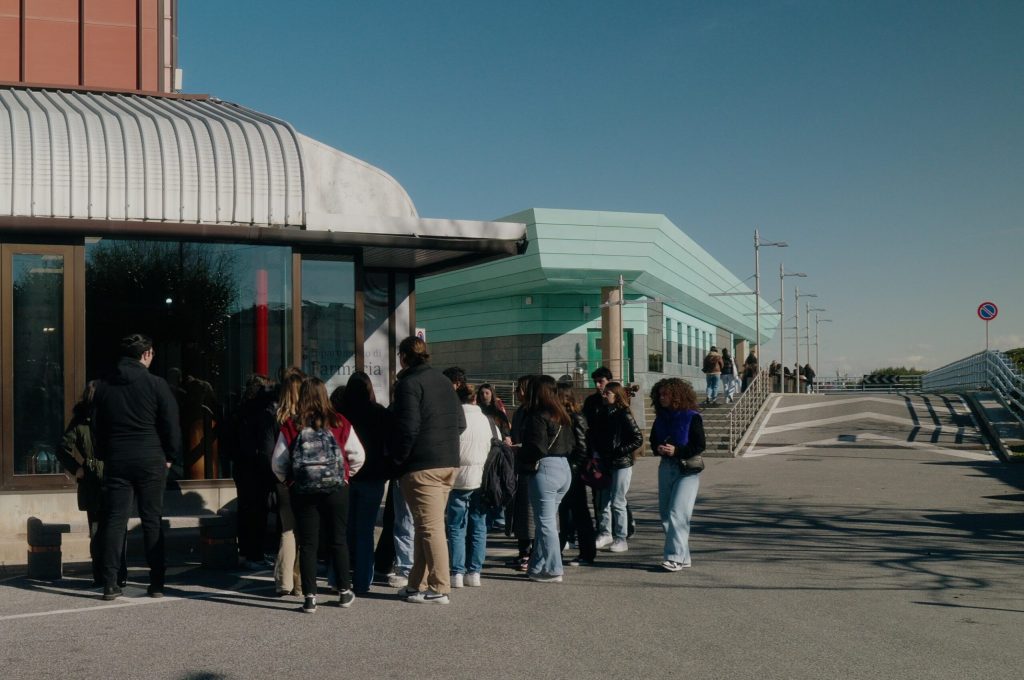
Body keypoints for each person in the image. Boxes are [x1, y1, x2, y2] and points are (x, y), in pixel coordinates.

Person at [92, 334, 181, 600]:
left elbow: (97, 427)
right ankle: (156, 583)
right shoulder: (156, 384)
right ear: (146, 354)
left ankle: (110, 583)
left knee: (114, 521)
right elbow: (171, 424)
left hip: (118, 457)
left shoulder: (105, 386)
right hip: (150, 456)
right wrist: (170, 455)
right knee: (152, 520)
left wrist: (105, 454)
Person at [271, 376, 365, 613]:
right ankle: (344, 592)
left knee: (309, 543)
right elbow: (358, 455)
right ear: (325, 395)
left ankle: (310, 598)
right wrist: (345, 476)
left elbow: (277, 463)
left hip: (303, 491)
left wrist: (290, 481)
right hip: (336, 489)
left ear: (302, 397)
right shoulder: (340, 422)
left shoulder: (292, 425)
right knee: (338, 540)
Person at [389, 336, 466, 604]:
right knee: (425, 526)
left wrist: (398, 460)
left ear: (403, 357)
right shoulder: (444, 381)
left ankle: (439, 587)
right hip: (449, 462)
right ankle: (416, 585)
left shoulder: (408, 383)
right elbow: (460, 423)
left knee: (430, 528)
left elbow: (407, 428)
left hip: (422, 465)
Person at [55, 381, 126, 588]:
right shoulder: (84, 421)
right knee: (102, 530)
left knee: (109, 529)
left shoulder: (110, 418)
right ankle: (107, 575)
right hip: (97, 481)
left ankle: (113, 574)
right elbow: (62, 448)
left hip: (112, 479)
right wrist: (77, 468)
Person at [333, 372, 392, 594]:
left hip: (345, 477)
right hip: (373, 476)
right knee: (365, 531)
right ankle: (362, 580)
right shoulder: (380, 413)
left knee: (343, 530)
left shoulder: (340, 414)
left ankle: (337, 577)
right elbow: (390, 445)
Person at [520, 375, 573, 582]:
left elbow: (537, 447)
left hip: (545, 468)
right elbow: (571, 445)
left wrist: (519, 452)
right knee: (548, 521)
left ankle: (553, 568)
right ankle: (539, 565)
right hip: (564, 468)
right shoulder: (562, 414)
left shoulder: (537, 415)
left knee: (545, 522)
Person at [650, 378, 705, 572]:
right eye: (660, 394)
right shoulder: (660, 417)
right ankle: (684, 556)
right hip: (666, 467)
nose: (661, 397)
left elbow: (699, 445)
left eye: (666, 394)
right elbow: (652, 441)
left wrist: (677, 451)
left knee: (678, 513)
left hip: (687, 470)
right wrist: (659, 448)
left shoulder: (692, 416)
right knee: (666, 513)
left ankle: (674, 558)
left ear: (677, 395)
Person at [446, 384, 493, 588]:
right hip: (481, 477)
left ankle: (457, 572)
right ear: (475, 399)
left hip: (458, 478)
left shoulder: (454, 419)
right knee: (479, 524)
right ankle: (474, 572)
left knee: (456, 525)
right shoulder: (485, 419)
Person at [234, 374, 278, 570]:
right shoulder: (263, 413)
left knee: (245, 510)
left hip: (242, 464)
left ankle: (245, 552)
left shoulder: (240, 410)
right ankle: (255, 554)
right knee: (258, 513)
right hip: (258, 467)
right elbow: (266, 445)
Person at [592, 382, 642, 552]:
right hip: (604, 462)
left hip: (621, 463)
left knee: (618, 501)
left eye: (608, 393)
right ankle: (605, 533)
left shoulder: (624, 414)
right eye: (604, 392)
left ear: (616, 395)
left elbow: (638, 438)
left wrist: (620, 451)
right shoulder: (601, 413)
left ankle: (621, 537)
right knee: (602, 500)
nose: (604, 395)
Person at [556, 382, 596, 567]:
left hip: (574, 471)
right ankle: (559, 550)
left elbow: (582, 447)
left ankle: (587, 553)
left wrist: (573, 468)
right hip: (567, 469)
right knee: (565, 513)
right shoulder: (563, 417)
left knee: (580, 513)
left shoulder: (576, 417)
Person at [272, 367, 304, 597]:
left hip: (282, 479)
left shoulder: (276, 417)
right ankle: (300, 581)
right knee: (305, 534)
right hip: (303, 480)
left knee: (287, 530)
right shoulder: (305, 419)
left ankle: (284, 581)